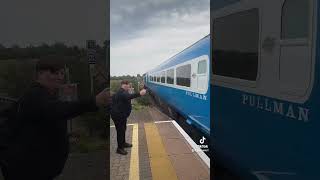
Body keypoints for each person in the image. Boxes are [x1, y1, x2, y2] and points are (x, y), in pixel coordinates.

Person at [0, 56, 110, 180]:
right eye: (53, 72)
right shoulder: (35, 95)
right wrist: (94, 101)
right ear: (40, 73)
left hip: (36, 170)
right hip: (27, 172)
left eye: (61, 73)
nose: (59, 77)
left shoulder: (45, 95)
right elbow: (58, 110)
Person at [111, 80, 146, 155]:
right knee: (120, 131)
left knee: (123, 129)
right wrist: (140, 93)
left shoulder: (123, 92)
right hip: (118, 116)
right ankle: (119, 149)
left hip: (121, 115)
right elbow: (129, 96)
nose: (129, 87)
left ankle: (123, 143)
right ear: (124, 85)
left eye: (129, 85)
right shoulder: (122, 92)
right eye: (128, 85)